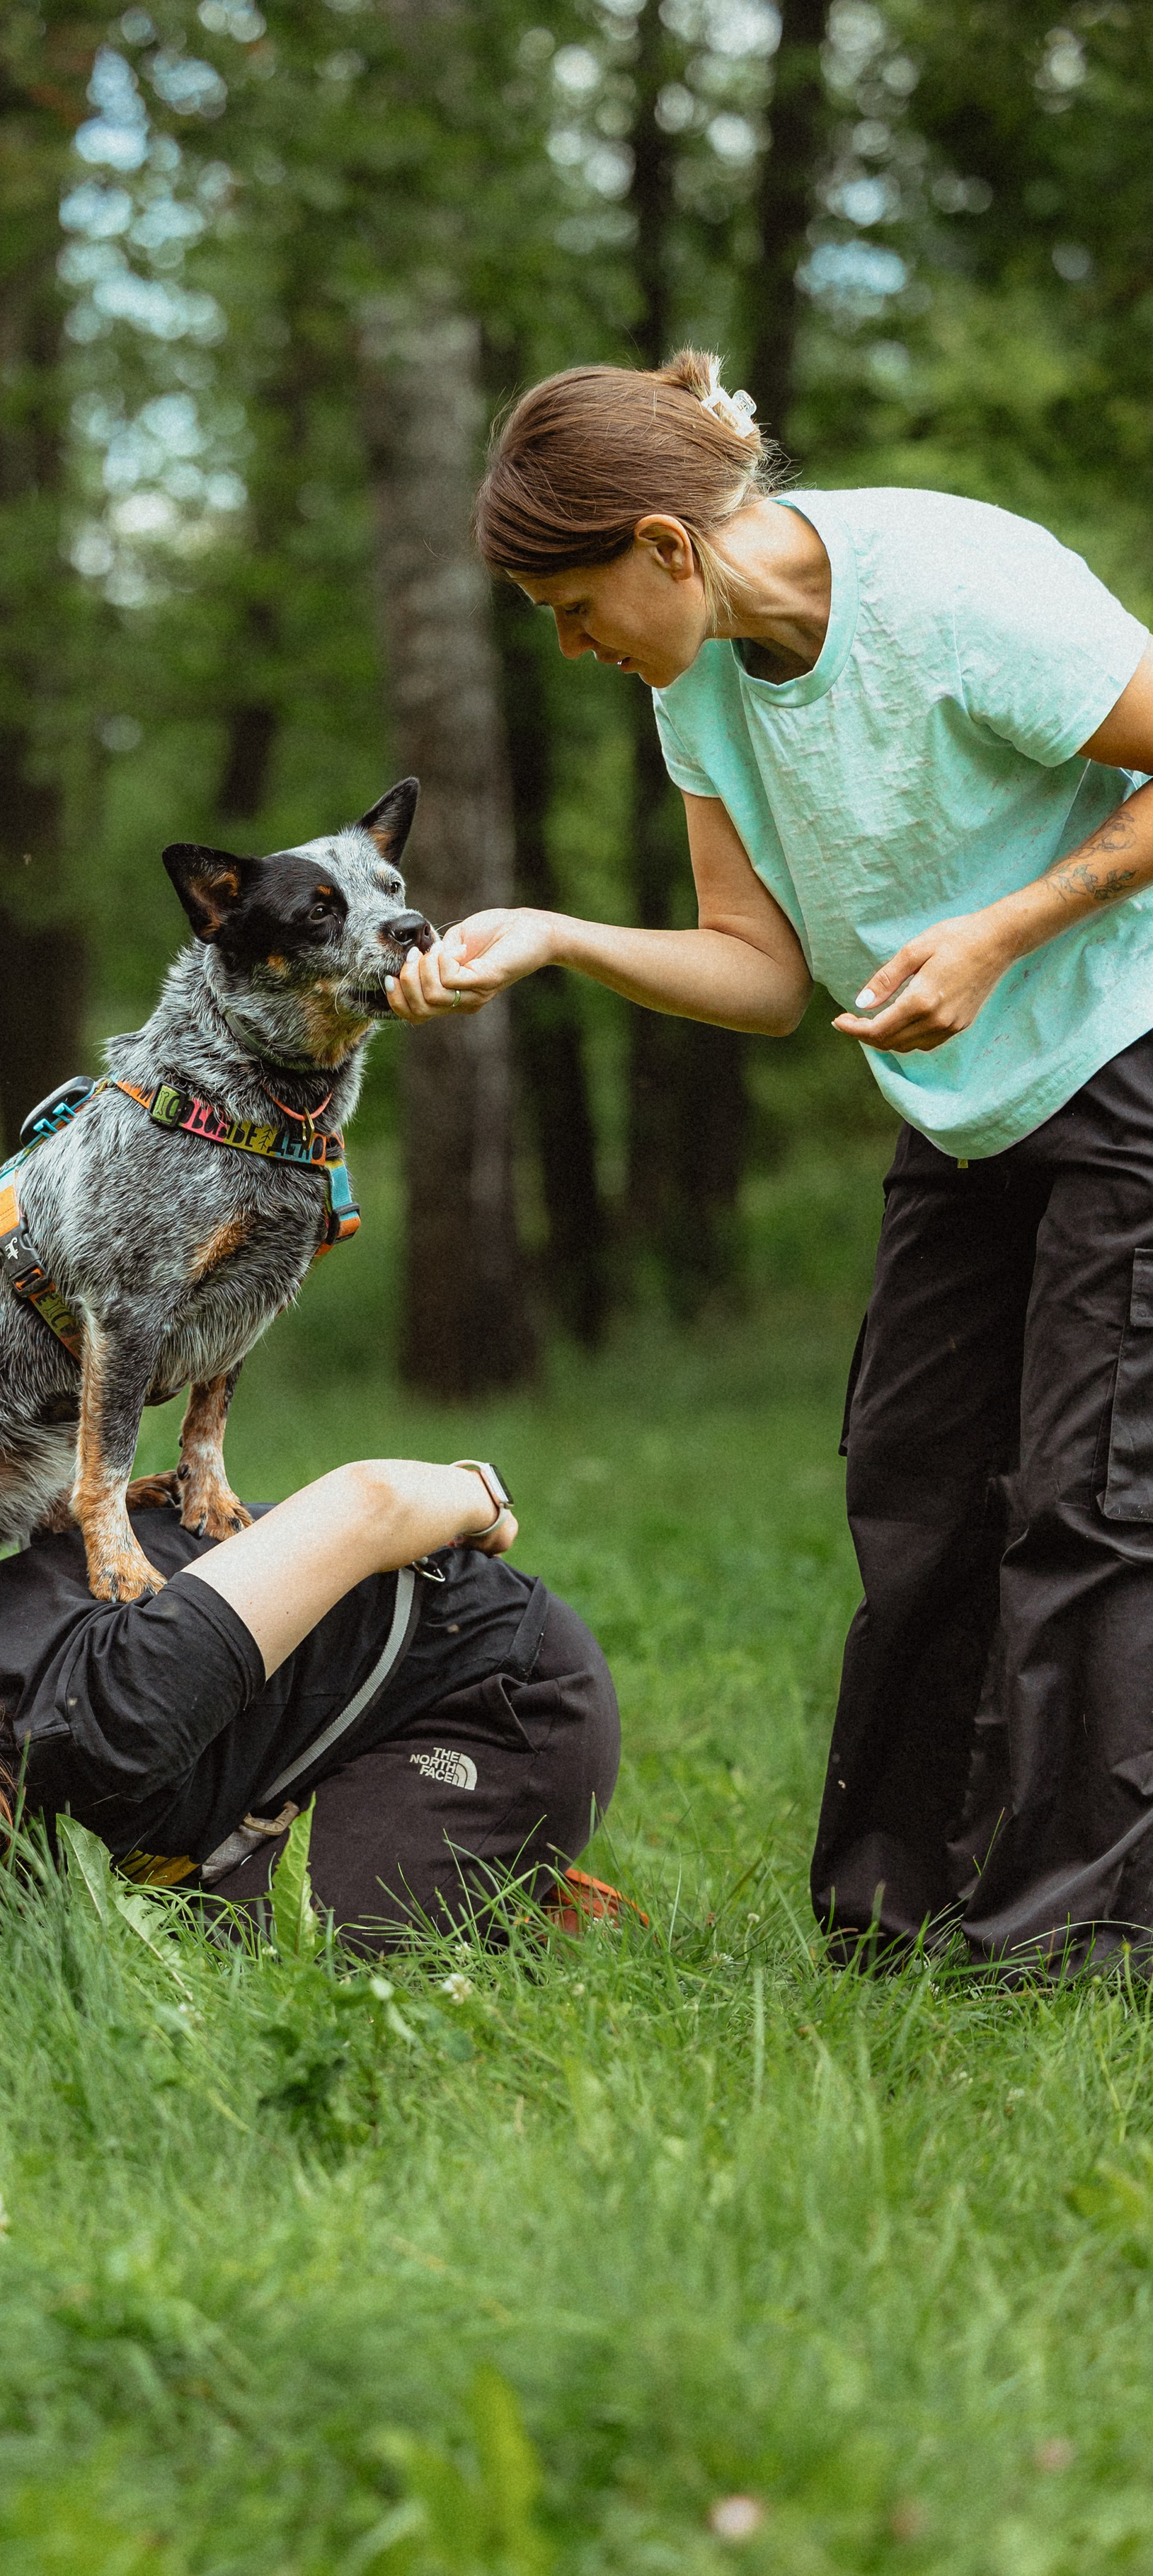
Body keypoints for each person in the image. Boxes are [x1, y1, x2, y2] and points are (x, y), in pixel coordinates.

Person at [388, 348, 1153, 1974]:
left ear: (667, 546)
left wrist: (1004, 933)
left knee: (1083, 1509)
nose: (571, 642)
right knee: (917, 1489)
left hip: (1123, 1050)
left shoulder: (955, 590)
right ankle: (894, 1926)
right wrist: (554, 938)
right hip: (963, 1105)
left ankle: (1068, 1943)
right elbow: (758, 969)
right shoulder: (698, 692)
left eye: (571, 602)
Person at [0, 1455, 621, 1961]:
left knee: (344, 1984)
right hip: (288, 1714)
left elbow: (366, 1505)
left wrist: (479, 1495)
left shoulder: (105, 1715)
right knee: (215, 1976)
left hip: (492, 1686)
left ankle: (518, 1884)